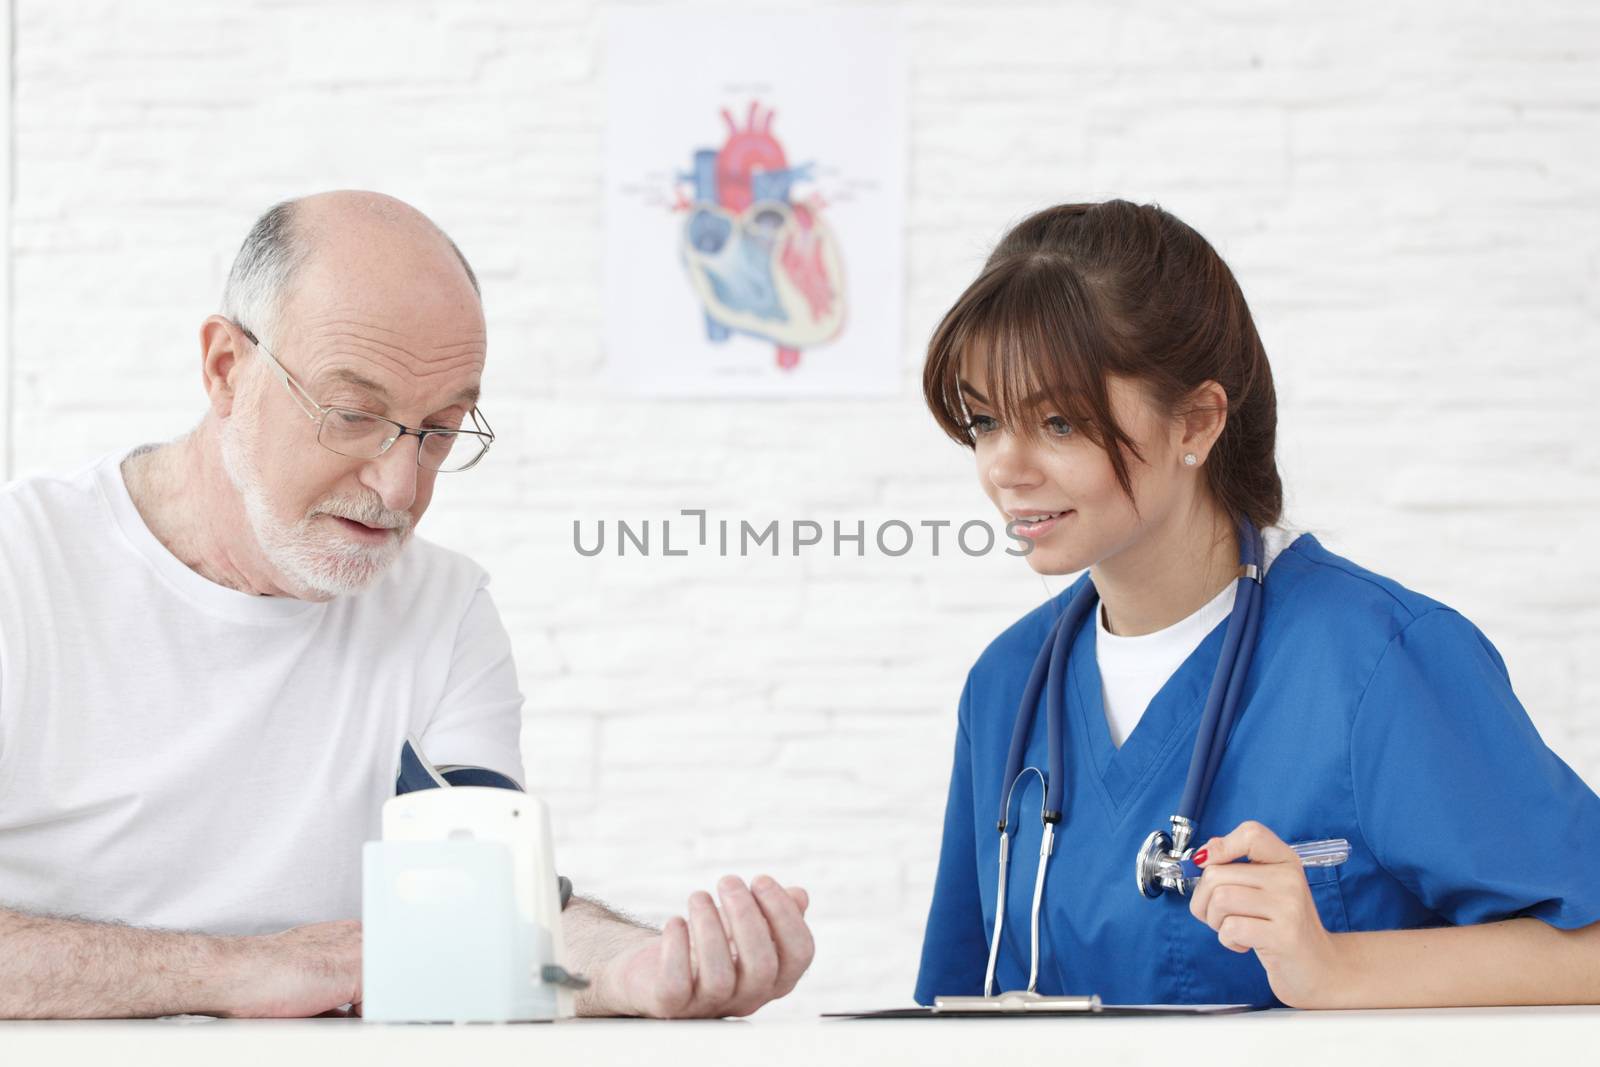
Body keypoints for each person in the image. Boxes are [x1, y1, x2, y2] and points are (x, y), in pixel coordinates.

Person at [0, 191, 813, 1019]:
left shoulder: (445, 608)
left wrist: (636, 969)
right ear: (225, 370)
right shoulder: (22, 568)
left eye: (439, 428)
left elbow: (494, 908)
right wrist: (228, 971)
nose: (400, 485)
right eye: (353, 415)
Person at [913, 199, 1600, 1008]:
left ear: (1196, 422)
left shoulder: (1374, 660)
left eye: (1058, 421)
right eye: (986, 420)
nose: (1004, 466)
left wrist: (1339, 969)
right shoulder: (1007, 685)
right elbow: (951, 1010)